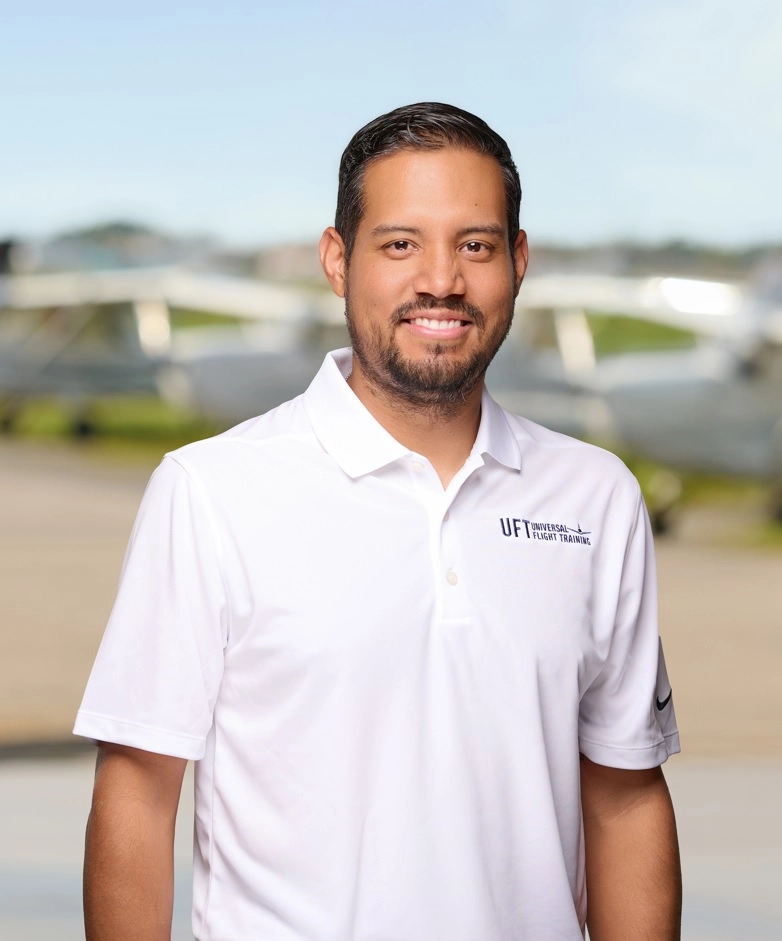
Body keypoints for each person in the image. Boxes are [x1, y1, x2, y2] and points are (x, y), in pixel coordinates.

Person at [75, 102, 681, 941]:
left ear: (519, 260)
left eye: (476, 244)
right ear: (337, 259)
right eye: (401, 244)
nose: (442, 279)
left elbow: (626, 794)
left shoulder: (597, 498)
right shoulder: (209, 491)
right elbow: (138, 795)